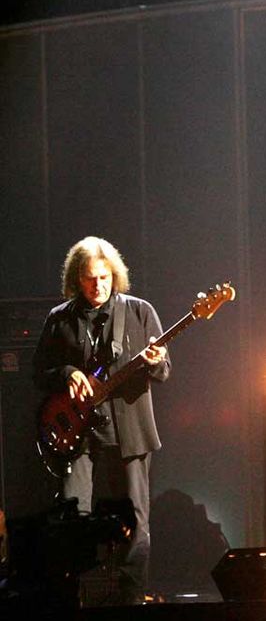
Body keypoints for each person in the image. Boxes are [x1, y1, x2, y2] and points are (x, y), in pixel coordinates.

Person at [32, 236, 170, 605]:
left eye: (105, 278)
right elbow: (38, 373)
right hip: (78, 434)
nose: (99, 286)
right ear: (77, 279)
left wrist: (156, 361)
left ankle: (131, 597)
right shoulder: (59, 318)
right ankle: (73, 592)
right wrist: (67, 373)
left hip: (129, 430)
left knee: (135, 517)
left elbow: (165, 369)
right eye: (91, 278)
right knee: (74, 513)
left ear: (115, 276)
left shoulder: (140, 312)